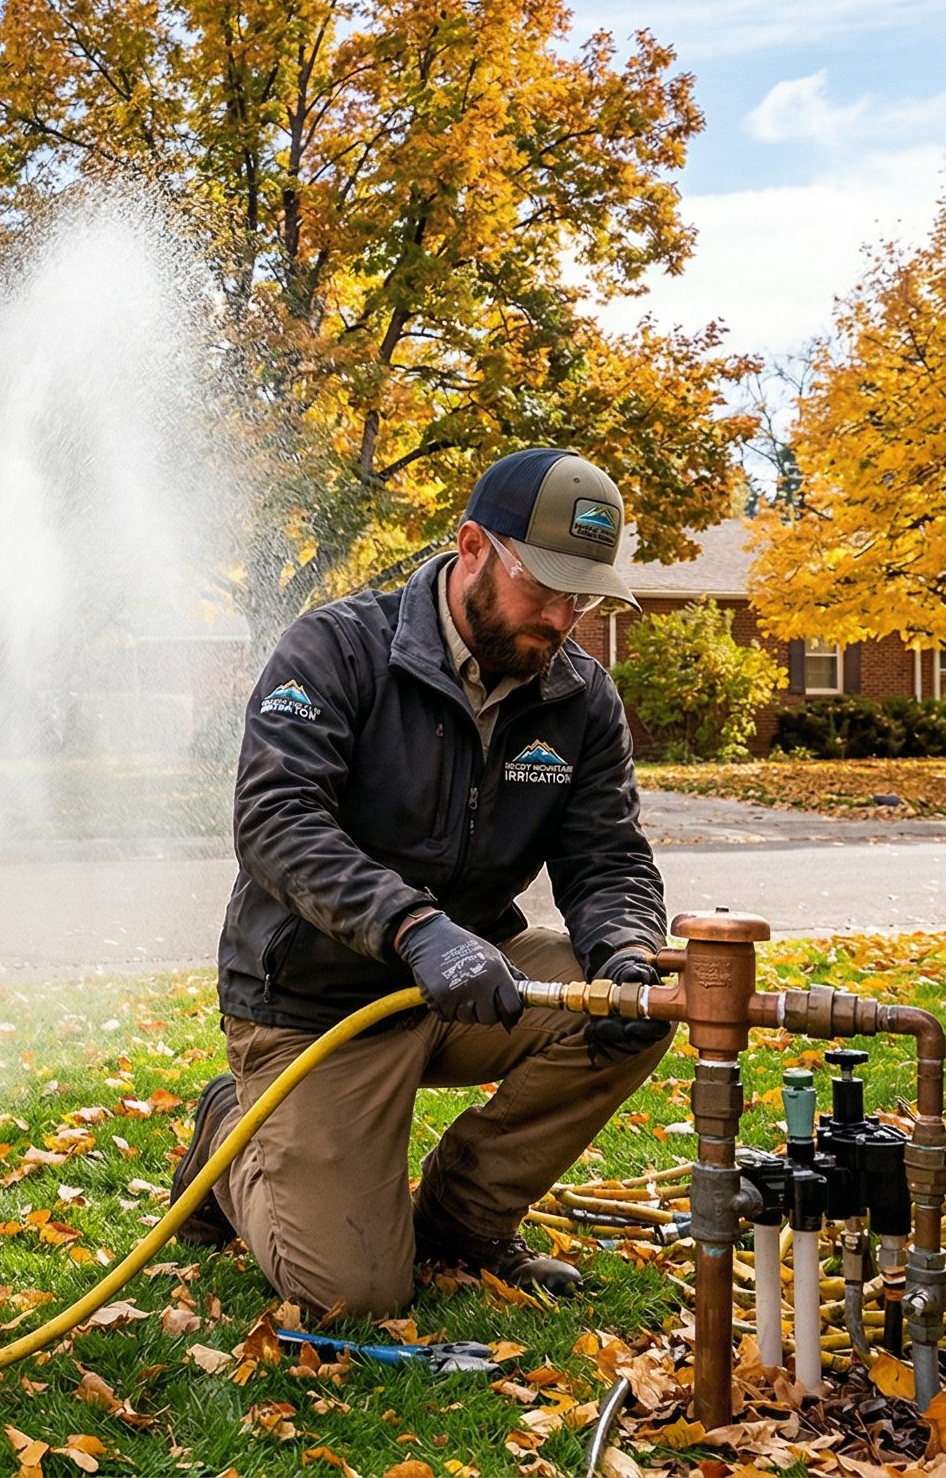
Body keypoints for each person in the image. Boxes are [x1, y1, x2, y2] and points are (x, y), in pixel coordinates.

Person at [174, 446, 674, 1316]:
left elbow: (609, 857)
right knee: (354, 1295)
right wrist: (415, 928)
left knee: (630, 1014)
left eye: (583, 596)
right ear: (473, 547)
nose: (564, 618)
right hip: (317, 1003)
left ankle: (461, 1221)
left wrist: (628, 950)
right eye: (546, 587)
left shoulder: (579, 699)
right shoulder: (336, 650)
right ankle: (233, 1136)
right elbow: (277, 820)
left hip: (472, 981)